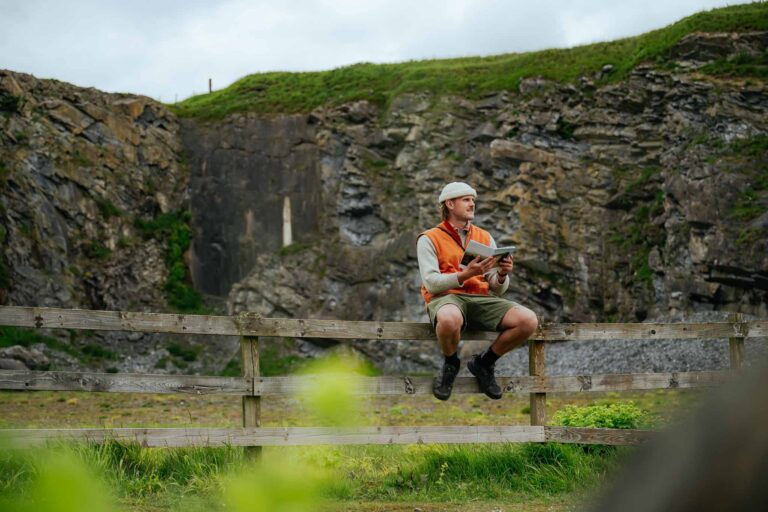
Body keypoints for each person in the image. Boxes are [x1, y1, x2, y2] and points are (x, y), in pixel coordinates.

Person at [416, 182, 539, 401]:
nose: (472, 203)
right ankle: (451, 363)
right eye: (466, 199)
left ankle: (484, 363)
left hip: (480, 298)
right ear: (450, 204)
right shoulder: (428, 238)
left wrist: (502, 274)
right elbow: (432, 283)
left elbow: (496, 287)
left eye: (473, 200)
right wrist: (465, 275)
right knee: (449, 318)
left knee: (528, 320)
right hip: (446, 298)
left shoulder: (484, 236)